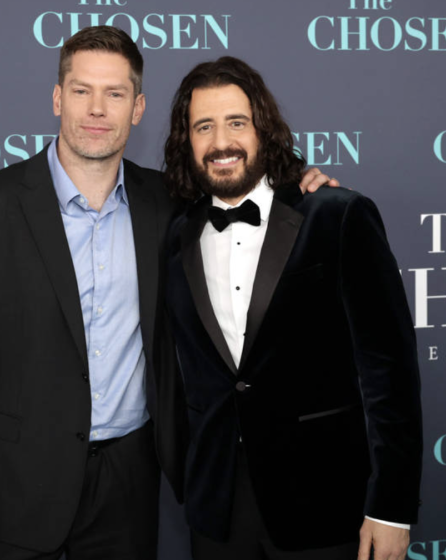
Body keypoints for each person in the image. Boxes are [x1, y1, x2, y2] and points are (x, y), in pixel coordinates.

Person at [0, 27, 338, 560]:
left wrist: (301, 183)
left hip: (131, 481)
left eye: (114, 94)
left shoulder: (168, 203)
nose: (96, 109)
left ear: (137, 108)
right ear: (56, 98)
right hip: (13, 482)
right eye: (81, 90)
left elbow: (238, 176)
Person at [163, 57, 423, 560]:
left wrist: (390, 507)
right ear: (186, 141)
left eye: (237, 122)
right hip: (216, 513)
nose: (222, 142)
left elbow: (390, 375)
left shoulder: (336, 214)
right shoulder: (177, 234)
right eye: (204, 127)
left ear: (264, 129)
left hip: (324, 503)